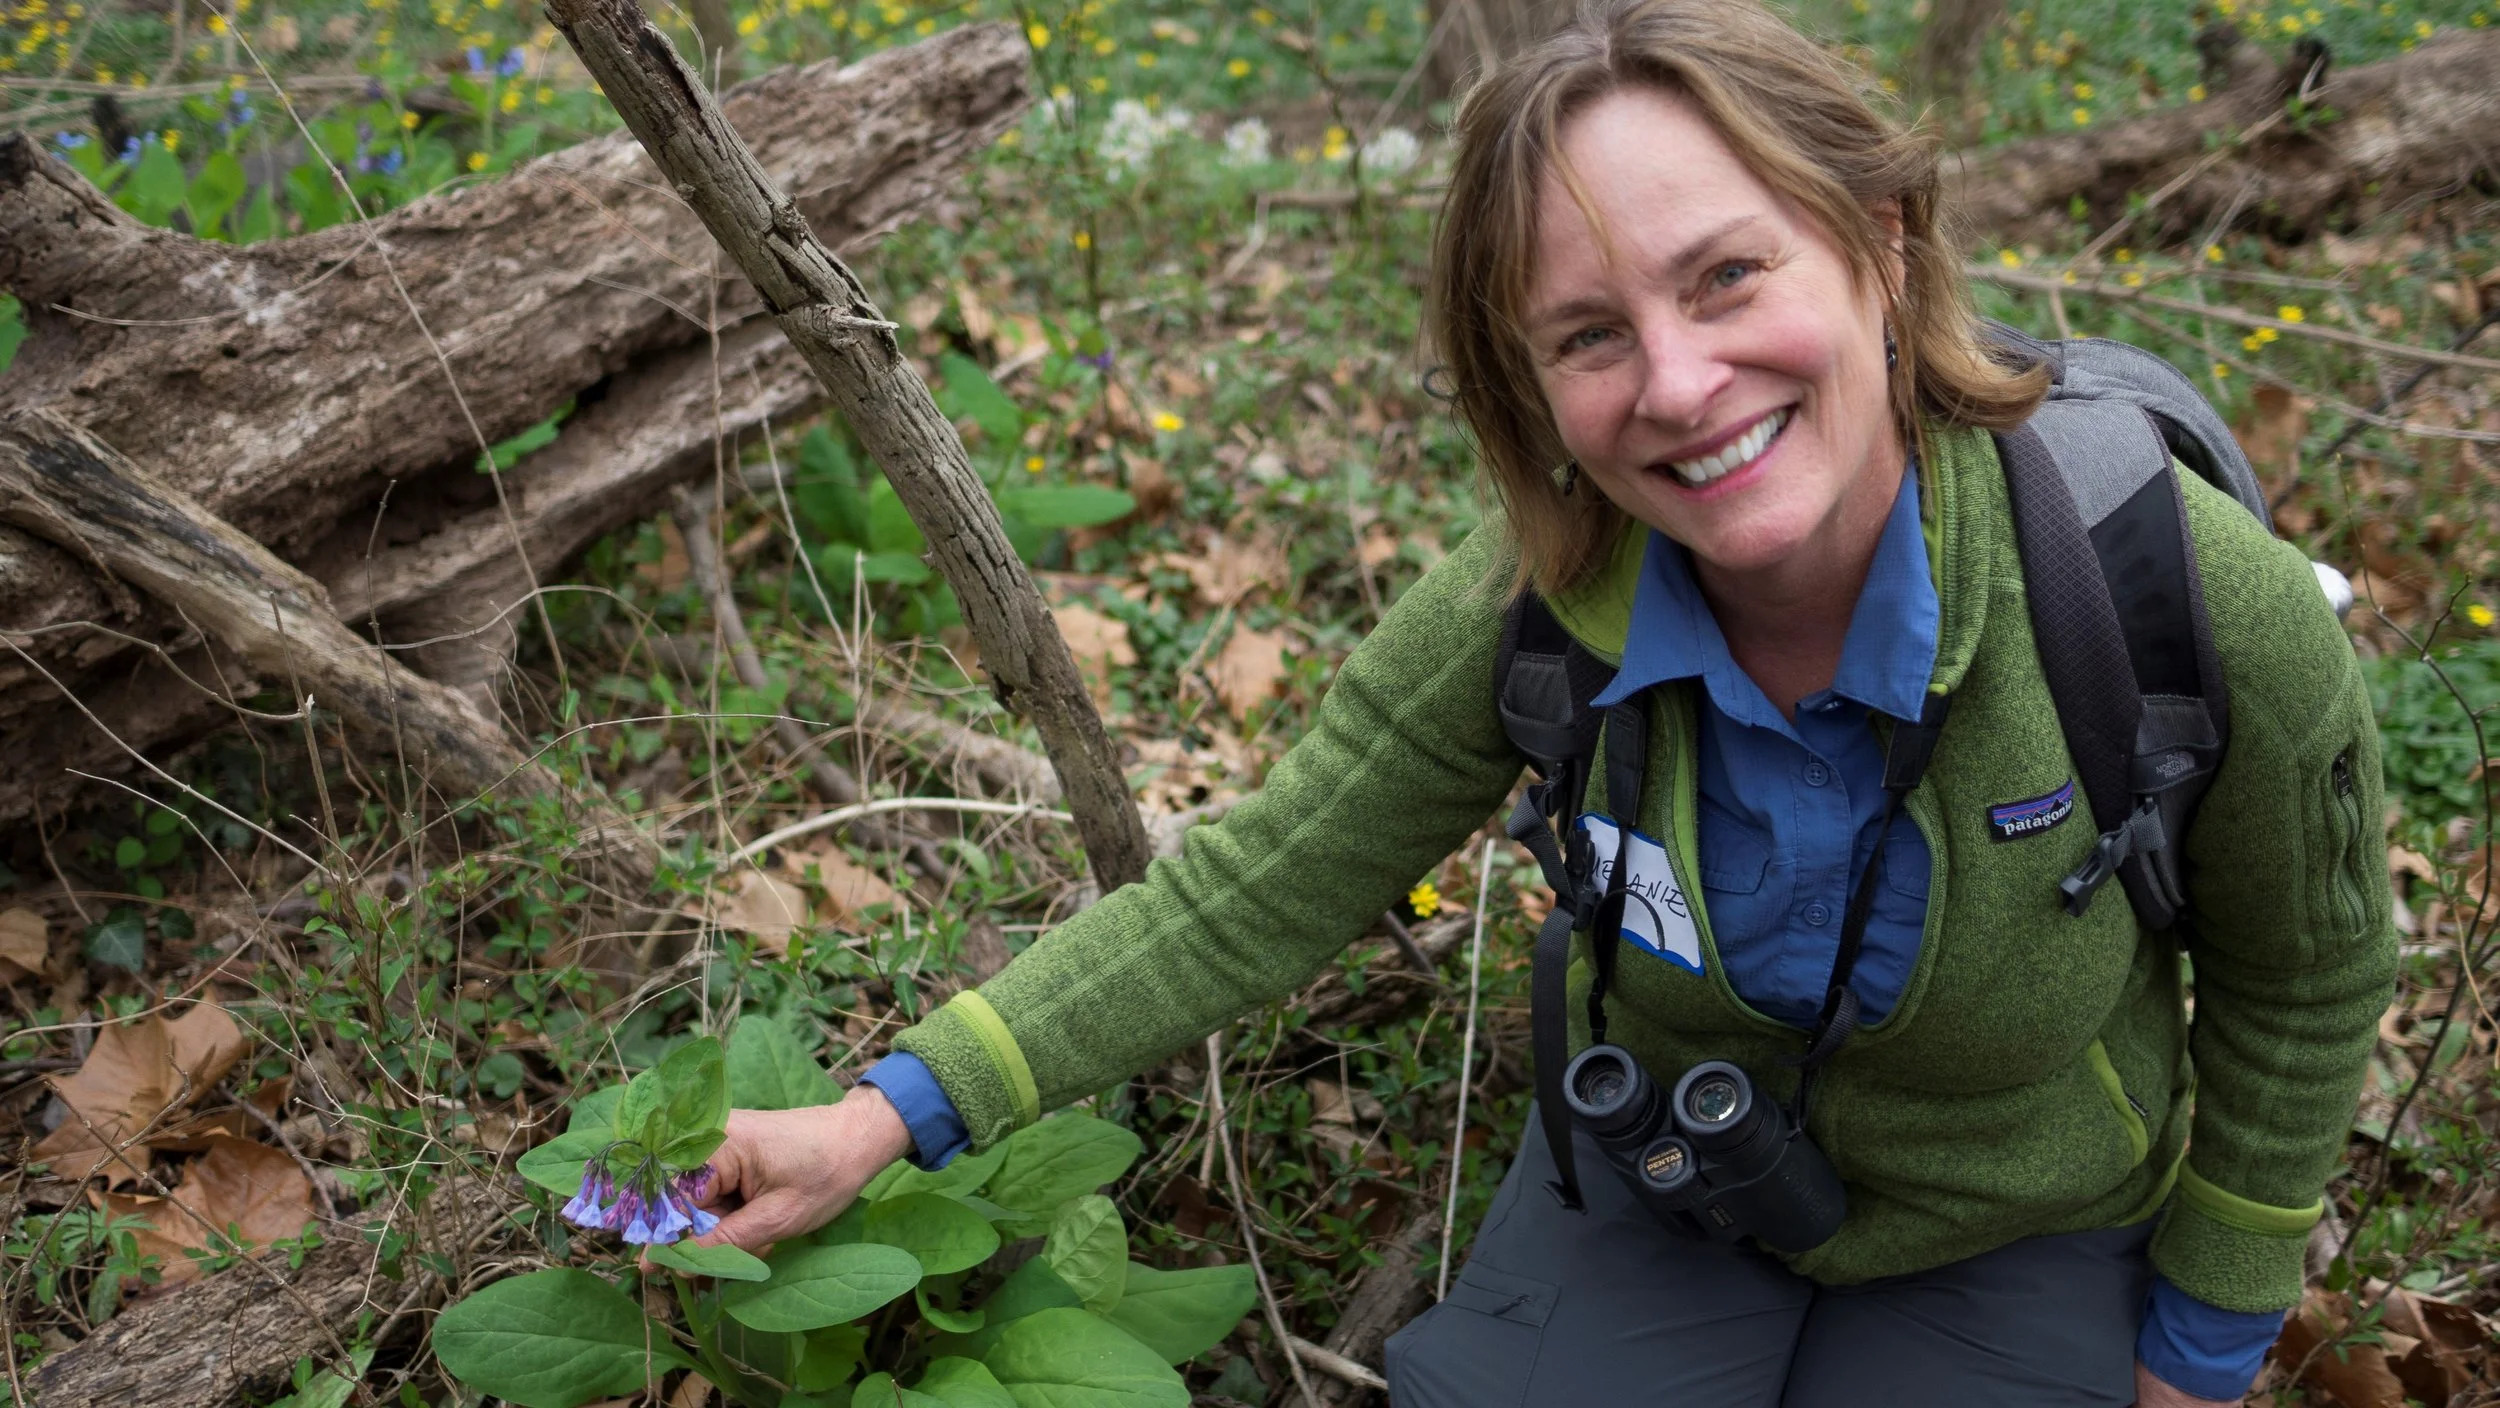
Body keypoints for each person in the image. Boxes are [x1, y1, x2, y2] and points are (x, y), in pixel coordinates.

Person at [684, 2, 2397, 1403]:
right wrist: (879, 1116)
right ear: (1531, 384)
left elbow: (2309, 977)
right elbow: (1258, 883)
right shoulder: (1535, 604)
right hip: (1669, 1177)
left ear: (1878, 243)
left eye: (1727, 277)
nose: (1679, 383)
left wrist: (2205, 1341)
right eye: (1589, 336)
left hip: (2020, 1220)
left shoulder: (2161, 588)